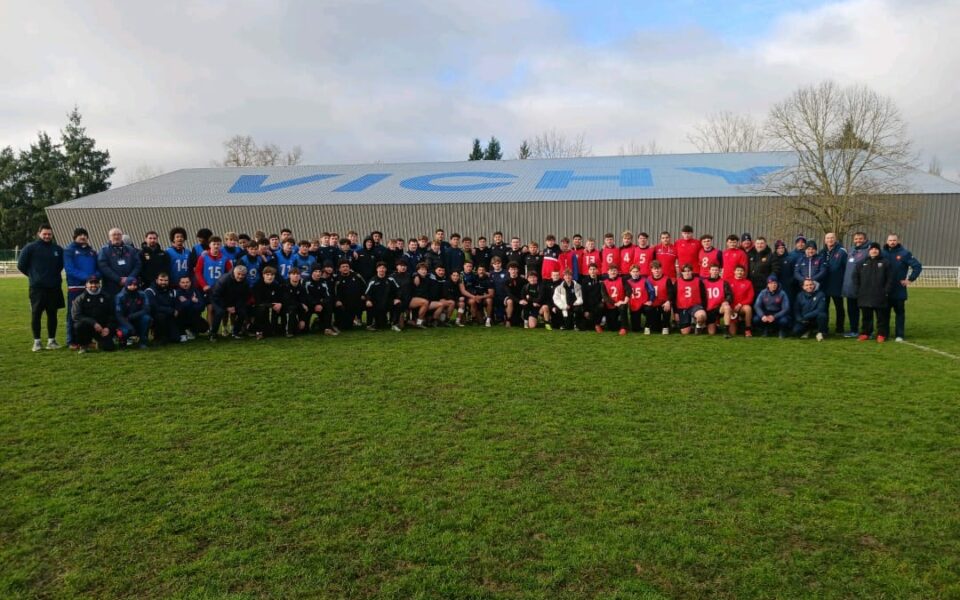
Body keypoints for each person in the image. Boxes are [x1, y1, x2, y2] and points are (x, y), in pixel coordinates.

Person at [17, 223, 65, 351]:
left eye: (49, 234)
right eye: (45, 234)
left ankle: (51, 341)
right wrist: (34, 276)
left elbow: (60, 266)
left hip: (54, 288)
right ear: (39, 234)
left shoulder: (58, 249)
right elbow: (21, 265)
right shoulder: (30, 248)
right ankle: (37, 342)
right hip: (37, 289)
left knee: (52, 314)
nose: (47, 236)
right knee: (36, 314)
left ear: (52, 235)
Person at [882, 233, 923, 342]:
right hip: (884, 290)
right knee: (884, 314)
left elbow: (917, 266)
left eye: (894, 240)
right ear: (887, 241)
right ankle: (884, 334)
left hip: (898, 290)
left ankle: (899, 335)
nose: (892, 242)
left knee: (899, 314)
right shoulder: (882, 253)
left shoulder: (904, 253)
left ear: (898, 241)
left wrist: (910, 279)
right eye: (890, 240)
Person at [63, 227, 99, 349]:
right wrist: (88, 277)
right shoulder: (69, 250)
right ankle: (71, 341)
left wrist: (95, 277)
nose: (83, 237)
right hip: (76, 287)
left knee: (89, 313)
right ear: (75, 237)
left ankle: (86, 340)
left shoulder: (92, 251)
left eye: (85, 235)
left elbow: (98, 268)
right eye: (80, 235)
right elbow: (70, 269)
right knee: (73, 314)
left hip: (91, 287)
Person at [853, 242, 892, 343]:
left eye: (876, 249)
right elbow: (855, 278)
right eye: (872, 249)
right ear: (869, 251)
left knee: (881, 317)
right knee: (866, 316)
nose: (874, 251)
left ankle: (881, 334)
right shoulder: (861, 263)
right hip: (865, 294)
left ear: (879, 251)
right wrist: (858, 290)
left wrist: (886, 290)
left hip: (880, 294)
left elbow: (890, 278)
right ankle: (865, 333)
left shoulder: (885, 263)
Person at [70, 276, 116, 353]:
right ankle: (83, 345)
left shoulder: (107, 297)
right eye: (91, 283)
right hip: (87, 327)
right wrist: (93, 323)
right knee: (78, 325)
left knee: (109, 348)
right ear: (86, 285)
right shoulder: (80, 298)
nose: (93, 285)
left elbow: (112, 314)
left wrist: (108, 327)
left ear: (99, 284)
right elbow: (76, 315)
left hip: (102, 328)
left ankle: (98, 342)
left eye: (96, 283)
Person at [841, 231, 871, 337]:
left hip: (862, 287)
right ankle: (854, 330)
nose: (858, 241)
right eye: (856, 239)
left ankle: (868, 331)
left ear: (865, 239)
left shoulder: (869, 251)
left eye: (860, 239)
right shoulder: (851, 250)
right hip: (850, 287)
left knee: (866, 311)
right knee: (852, 310)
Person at [208, 265, 250, 341]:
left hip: (233, 301)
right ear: (234, 273)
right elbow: (215, 295)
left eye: (243, 275)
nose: (240, 276)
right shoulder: (224, 279)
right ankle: (213, 333)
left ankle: (235, 332)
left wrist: (235, 306)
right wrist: (226, 307)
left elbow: (244, 297)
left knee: (242, 312)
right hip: (218, 299)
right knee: (220, 312)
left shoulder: (245, 282)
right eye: (239, 274)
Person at [97, 227, 141, 298]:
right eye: (114, 235)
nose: (116, 237)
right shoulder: (104, 251)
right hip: (112, 286)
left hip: (131, 285)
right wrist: (118, 279)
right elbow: (103, 267)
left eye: (119, 234)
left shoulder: (131, 250)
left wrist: (129, 279)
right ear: (109, 237)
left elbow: (138, 265)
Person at [114, 277, 151, 349]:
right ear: (126, 285)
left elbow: (146, 309)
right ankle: (124, 342)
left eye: (135, 285)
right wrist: (129, 326)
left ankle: (142, 341)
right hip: (124, 321)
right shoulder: (119, 296)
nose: (133, 287)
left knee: (146, 318)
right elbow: (118, 315)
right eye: (130, 285)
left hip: (136, 319)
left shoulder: (142, 294)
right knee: (126, 331)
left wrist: (132, 316)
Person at [363, 262, 400, 331]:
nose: (382, 270)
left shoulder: (390, 279)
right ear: (377, 269)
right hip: (376, 304)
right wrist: (368, 300)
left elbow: (398, 290)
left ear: (386, 269)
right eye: (380, 268)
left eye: (383, 268)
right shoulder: (373, 280)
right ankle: (369, 325)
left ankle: (394, 324)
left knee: (398, 304)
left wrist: (397, 298)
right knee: (380, 324)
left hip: (387, 302)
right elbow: (367, 293)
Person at [146, 272, 180, 344]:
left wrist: (177, 309)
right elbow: (155, 307)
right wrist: (171, 310)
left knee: (176, 339)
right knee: (160, 316)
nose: (163, 282)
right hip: (155, 316)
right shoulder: (150, 291)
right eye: (161, 280)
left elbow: (177, 303)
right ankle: (158, 336)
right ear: (156, 280)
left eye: (166, 280)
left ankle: (181, 332)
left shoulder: (172, 291)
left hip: (170, 315)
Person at [252, 266, 284, 339]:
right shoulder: (258, 285)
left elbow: (280, 297)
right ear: (263, 275)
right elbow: (258, 301)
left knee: (284, 307)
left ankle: (284, 328)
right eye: (267, 275)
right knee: (261, 308)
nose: (270, 277)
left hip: (272, 307)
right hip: (258, 307)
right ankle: (258, 331)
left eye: (272, 275)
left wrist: (280, 303)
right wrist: (271, 305)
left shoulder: (276, 285)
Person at [675, 264, 707, 335]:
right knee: (685, 332)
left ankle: (698, 326)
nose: (687, 273)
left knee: (701, 315)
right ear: (682, 272)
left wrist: (703, 308)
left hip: (695, 307)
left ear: (692, 272)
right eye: (685, 271)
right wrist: (676, 312)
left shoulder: (698, 281)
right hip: (683, 308)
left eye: (689, 271)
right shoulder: (678, 282)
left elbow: (704, 296)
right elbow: (674, 298)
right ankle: (692, 324)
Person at [174, 274, 209, 339]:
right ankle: (183, 332)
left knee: (205, 327)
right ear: (179, 283)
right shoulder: (177, 292)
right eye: (183, 282)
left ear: (190, 282)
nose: (185, 284)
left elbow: (202, 306)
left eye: (187, 282)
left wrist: (187, 302)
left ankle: (192, 331)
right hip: (182, 318)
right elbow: (181, 306)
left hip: (194, 316)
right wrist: (192, 301)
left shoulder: (196, 291)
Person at [702, 263, 733, 335]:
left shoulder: (724, 282)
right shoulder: (704, 283)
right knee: (711, 333)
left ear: (719, 271)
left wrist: (726, 301)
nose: (714, 272)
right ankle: (713, 326)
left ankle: (726, 330)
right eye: (713, 270)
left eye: (716, 270)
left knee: (727, 307)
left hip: (719, 307)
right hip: (709, 308)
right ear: (709, 271)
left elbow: (729, 295)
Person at [644, 260, 674, 335]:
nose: (656, 270)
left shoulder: (667, 279)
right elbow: (645, 292)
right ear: (651, 270)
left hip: (663, 303)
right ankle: (649, 325)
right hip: (653, 304)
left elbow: (671, 292)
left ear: (661, 269)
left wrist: (668, 301)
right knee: (656, 328)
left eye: (658, 268)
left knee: (667, 307)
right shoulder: (648, 279)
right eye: (654, 269)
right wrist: (647, 301)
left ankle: (665, 326)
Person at [625, 265, 655, 333]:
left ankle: (647, 326)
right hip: (634, 305)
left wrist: (650, 300)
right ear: (630, 272)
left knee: (649, 309)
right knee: (635, 329)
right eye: (633, 271)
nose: (635, 273)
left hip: (644, 304)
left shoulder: (645, 280)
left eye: (637, 271)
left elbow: (652, 291)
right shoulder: (627, 282)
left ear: (639, 272)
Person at [600, 264, 629, 335]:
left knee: (623, 307)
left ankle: (623, 327)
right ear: (608, 272)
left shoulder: (622, 280)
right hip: (611, 305)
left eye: (615, 271)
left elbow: (628, 290)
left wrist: (625, 301)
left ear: (617, 272)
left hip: (621, 303)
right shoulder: (604, 283)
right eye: (611, 271)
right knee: (612, 328)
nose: (613, 272)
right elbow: (605, 296)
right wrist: (615, 303)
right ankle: (618, 321)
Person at [281, 267, 310, 337]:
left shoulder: (302, 288)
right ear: (289, 275)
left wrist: (302, 320)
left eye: (297, 274)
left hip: (297, 307)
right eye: (293, 274)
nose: (296, 275)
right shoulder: (285, 286)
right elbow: (287, 301)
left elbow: (303, 302)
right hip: (285, 308)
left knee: (303, 330)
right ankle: (288, 331)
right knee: (292, 308)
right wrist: (301, 305)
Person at [727, 265, 755, 338]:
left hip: (741, 307)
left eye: (741, 271)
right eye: (738, 270)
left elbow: (750, 298)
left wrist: (740, 304)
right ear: (734, 272)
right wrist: (730, 307)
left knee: (748, 308)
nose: (739, 272)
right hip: (731, 308)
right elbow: (725, 296)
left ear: (744, 273)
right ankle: (737, 323)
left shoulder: (748, 283)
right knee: (733, 333)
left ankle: (748, 329)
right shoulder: (728, 282)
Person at [580, 263, 605, 333]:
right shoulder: (584, 281)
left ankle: (598, 324)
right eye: (591, 269)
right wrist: (585, 310)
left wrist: (603, 299)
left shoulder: (601, 280)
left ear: (597, 270)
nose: (592, 271)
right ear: (588, 271)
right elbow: (584, 296)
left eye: (594, 269)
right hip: (589, 305)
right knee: (587, 327)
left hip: (599, 304)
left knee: (601, 306)